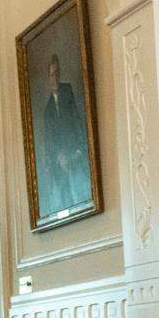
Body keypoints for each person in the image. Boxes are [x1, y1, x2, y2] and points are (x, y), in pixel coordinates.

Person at [39, 54, 89, 214]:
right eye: (52, 75)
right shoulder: (48, 111)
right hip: (60, 163)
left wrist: (78, 149)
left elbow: (76, 119)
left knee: (82, 193)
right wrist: (59, 156)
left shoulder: (67, 91)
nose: (55, 79)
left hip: (74, 152)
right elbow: (49, 141)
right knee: (66, 198)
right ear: (48, 78)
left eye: (57, 74)